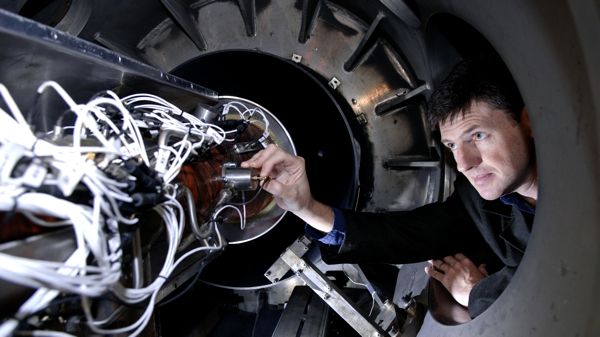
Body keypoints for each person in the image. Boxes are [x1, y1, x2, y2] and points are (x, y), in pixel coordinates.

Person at [241, 57, 537, 318]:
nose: (463, 163)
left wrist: (476, 293)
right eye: (452, 145)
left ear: (528, 121)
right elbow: (408, 234)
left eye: (479, 135)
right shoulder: (481, 200)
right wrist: (306, 208)